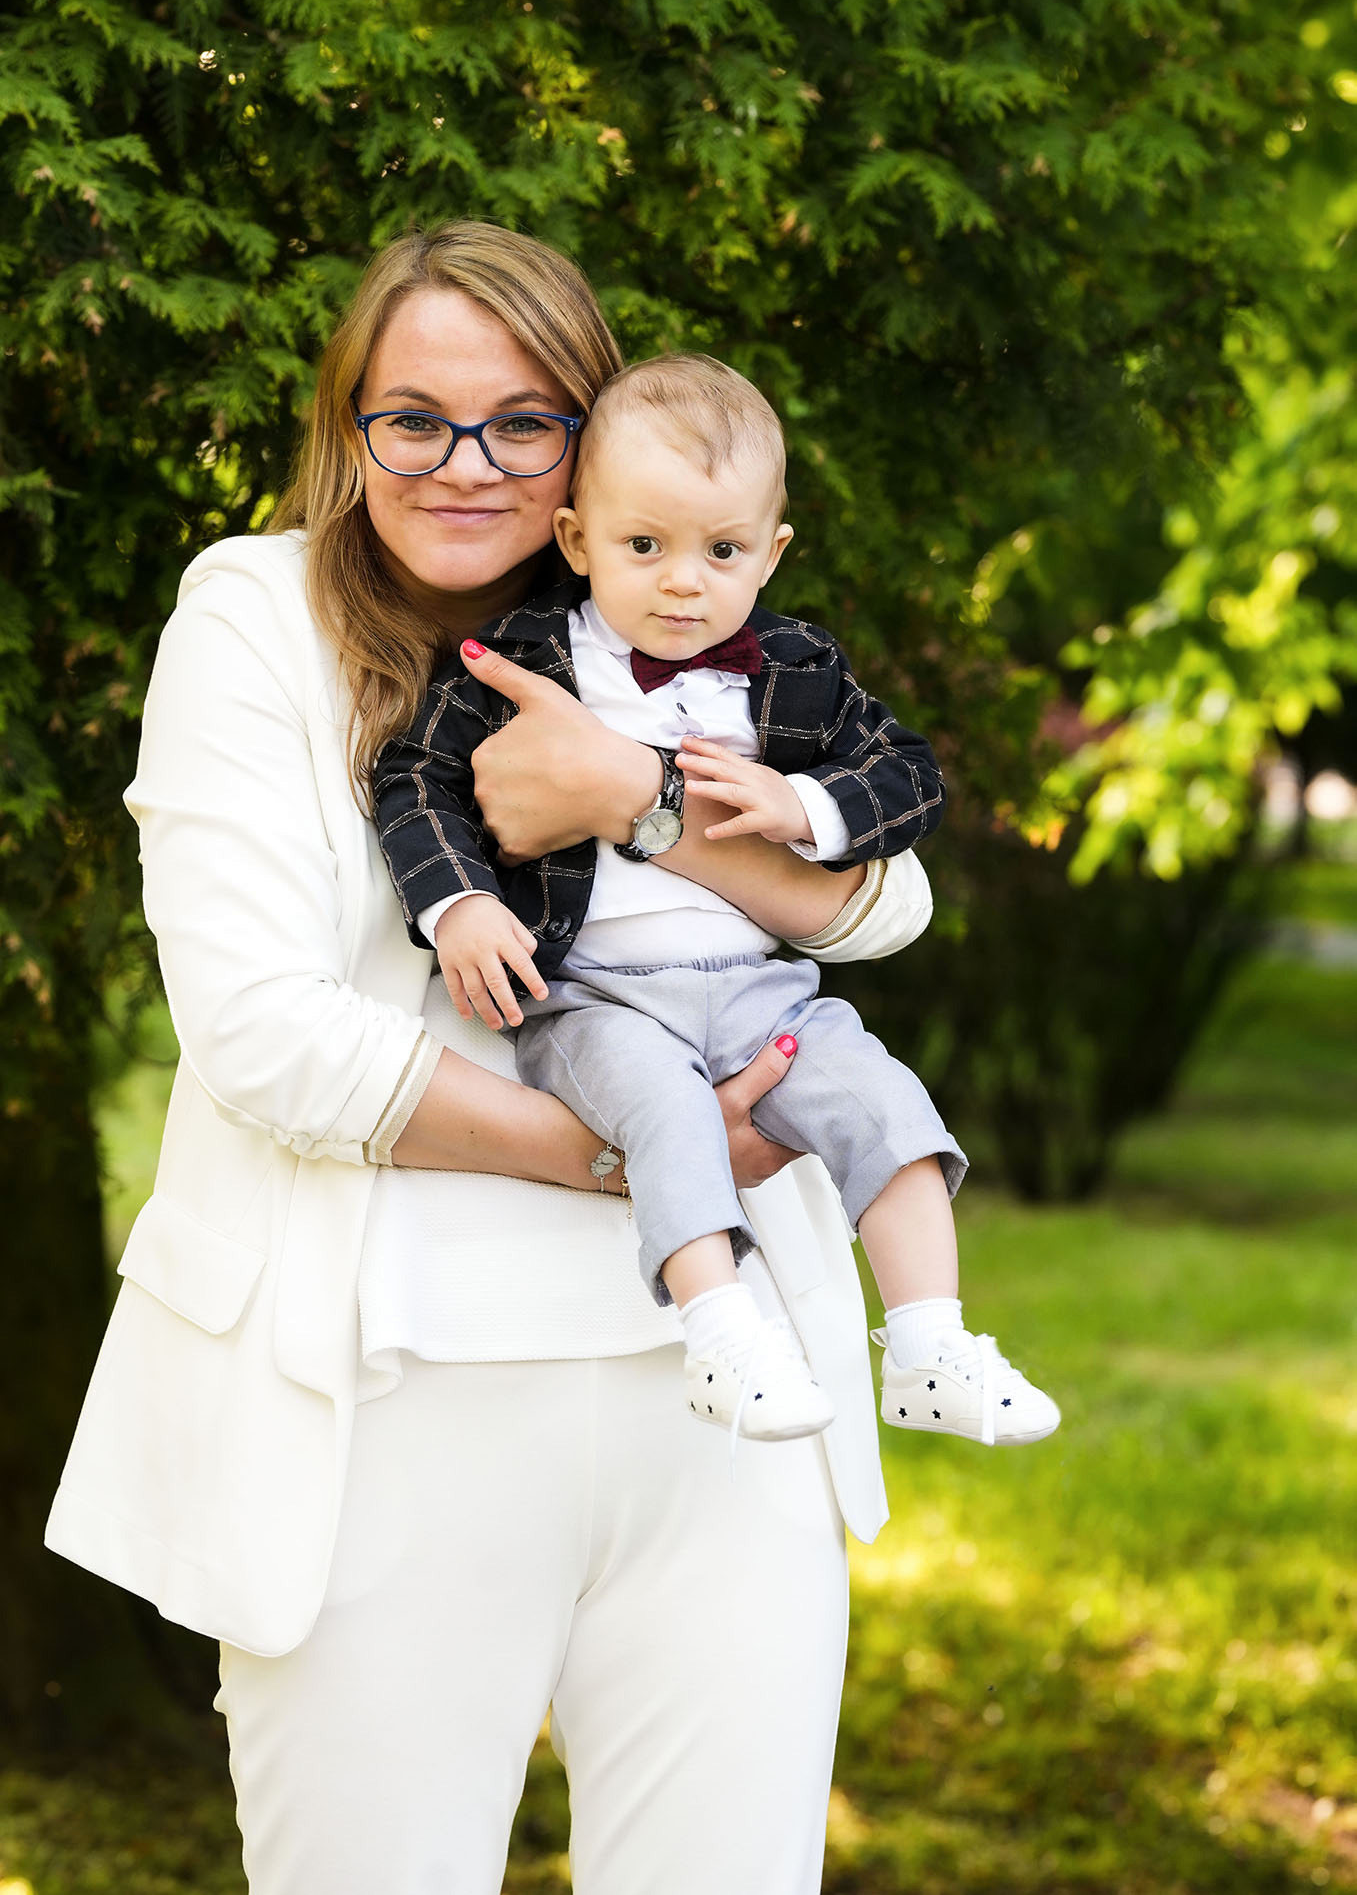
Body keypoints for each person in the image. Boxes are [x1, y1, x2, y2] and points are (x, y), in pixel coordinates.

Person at [46, 221, 941, 1895]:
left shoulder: (662, 611)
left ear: (587, 444)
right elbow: (264, 1039)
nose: (466, 465)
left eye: (523, 422)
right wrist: (647, 1152)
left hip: (720, 1421)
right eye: (415, 420)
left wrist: (639, 804)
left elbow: (883, 904)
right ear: (350, 428)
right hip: (384, 1412)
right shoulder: (252, 617)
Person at [372, 351, 1060, 1450]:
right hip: (596, 996)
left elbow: (910, 777)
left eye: (722, 550)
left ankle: (931, 1344)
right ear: (577, 538)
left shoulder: (795, 669)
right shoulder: (516, 658)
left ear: (770, 552)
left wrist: (807, 805)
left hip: (760, 990)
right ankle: (721, 1333)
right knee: (666, 1110)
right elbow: (413, 780)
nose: (683, 581)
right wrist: (458, 905)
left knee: (881, 1100)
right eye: (644, 546)